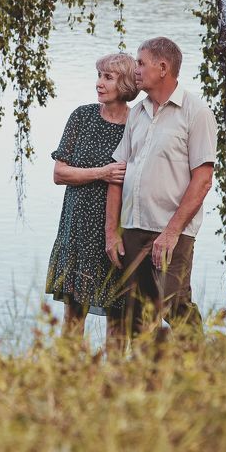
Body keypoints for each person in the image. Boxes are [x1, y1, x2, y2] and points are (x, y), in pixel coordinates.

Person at [105, 37, 218, 340]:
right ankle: (148, 380)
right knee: (136, 317)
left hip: (173, 234)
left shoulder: (196, 113)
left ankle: (199, 371)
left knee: (176, 306)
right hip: (133, 230)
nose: (135, 69)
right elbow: (118, 173)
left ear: (163, 67)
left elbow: (203, 179)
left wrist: (170, 233)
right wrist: (112, 232)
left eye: (141, 63)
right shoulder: (137, 113)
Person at [46, 53, 139, 340]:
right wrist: (103, 173)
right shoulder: (82, 116)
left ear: (123, 83)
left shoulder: (137, 122)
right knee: (73, 314)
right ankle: (70, 375)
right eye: (99, 75)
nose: (99, 83)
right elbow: (60, 173)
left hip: (116, 230)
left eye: (107, 77)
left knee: (118, 313)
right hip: (77, 229)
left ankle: (114, 378)